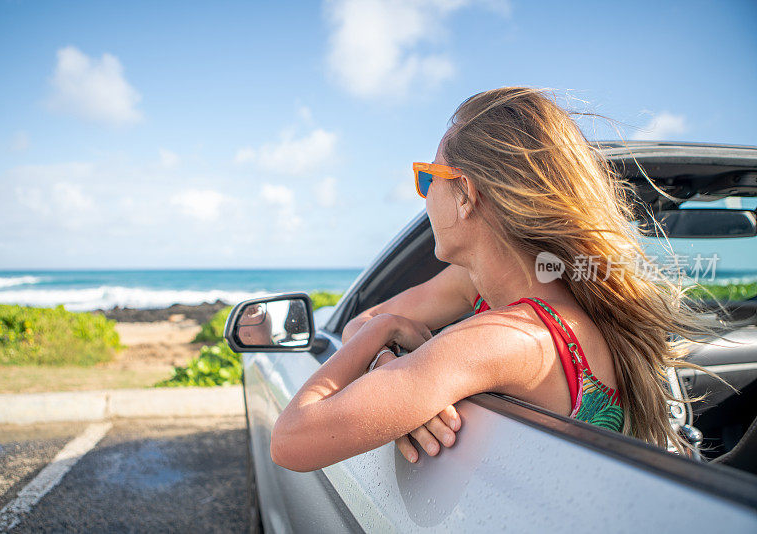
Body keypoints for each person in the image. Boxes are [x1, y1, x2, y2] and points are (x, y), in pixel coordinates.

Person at [270, 87, 716, 473]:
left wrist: (385, 334)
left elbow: (290, 442)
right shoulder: (492, 289)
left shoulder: (506, 340)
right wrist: (388, 370)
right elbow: (358, 322)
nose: (424, 197)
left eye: (429, 178)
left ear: (465, 194)